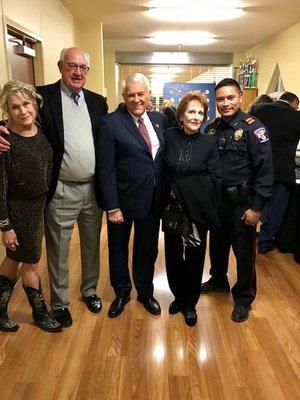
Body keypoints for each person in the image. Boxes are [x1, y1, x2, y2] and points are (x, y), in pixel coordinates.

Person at [0, 47, 108, 327]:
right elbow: (19, 117)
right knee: (59, 248)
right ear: (61, 66)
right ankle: (59, 303)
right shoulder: (43, 97)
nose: (77, 72)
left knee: (91, 244)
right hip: (60, 187)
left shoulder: (98, 102)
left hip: (92, 188)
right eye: (71, 66)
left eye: (83, 67)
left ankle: (90, 290)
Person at [201, 78, 273, 323]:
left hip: (244, 204)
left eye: (230, 97)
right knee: (217, 245)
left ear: (241, 97)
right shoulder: (211, 128)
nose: (225, 103)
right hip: (218, 201)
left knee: (243, 253)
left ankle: (243, 297)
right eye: (220, 99)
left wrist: (257, 208)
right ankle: (218, 279)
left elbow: (265, 171)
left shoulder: (254, 128)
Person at [96, 73, 168, 318]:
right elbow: (105, 168)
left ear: (149, 95)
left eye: (141, 94)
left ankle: (145, 291)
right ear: (124, 96)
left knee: (147, 248)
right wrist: (111, 206)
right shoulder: (111, 123)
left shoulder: (160, 120)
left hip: (152, 199)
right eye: (131, 95)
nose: (136, 99)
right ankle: (122, 292)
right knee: (118, 248)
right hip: (122, 201)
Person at [0, 81, 61, 332]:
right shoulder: (5, 141)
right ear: (7, 111)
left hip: (38, 206)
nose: (22, 111)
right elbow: (0, 187)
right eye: (14, 107)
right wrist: (5, 226)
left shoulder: (39, 127)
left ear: (34, 104)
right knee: (31, 263)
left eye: (26, 104)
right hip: (18, 209)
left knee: (13, 259)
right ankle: (40, 313)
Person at [163, 92, 222, 326]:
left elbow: (215, 177)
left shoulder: (209, 142)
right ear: (181, 114)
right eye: (191, 111)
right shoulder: (169, 136)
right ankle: (178, 296)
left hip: (197, 209)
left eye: (200, 113)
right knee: (173, 253)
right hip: (173, 209)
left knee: (196, 255)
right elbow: (162, 169)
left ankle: (190, 303)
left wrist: (180, 187)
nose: (196, 117)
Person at [250, 91, 300, 254]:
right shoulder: (296, 117)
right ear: (293, 102)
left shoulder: (258, 109)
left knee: (253, 203)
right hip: (283, 170)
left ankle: (247, 236)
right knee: (276, 208)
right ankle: (265, 242)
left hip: (258, 166)